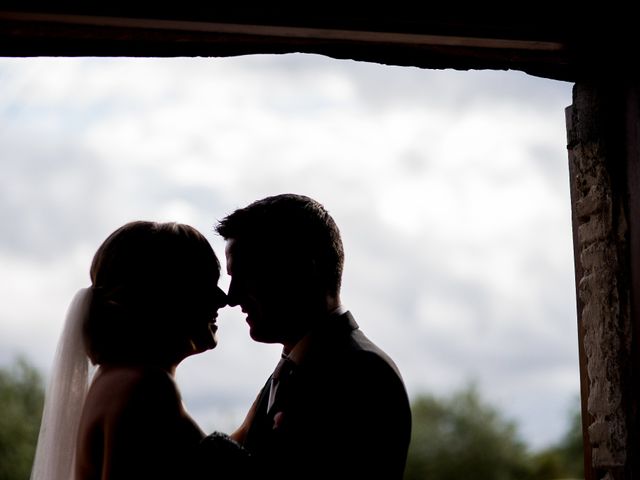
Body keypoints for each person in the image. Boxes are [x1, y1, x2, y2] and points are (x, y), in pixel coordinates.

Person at [31, 220, 251, 480]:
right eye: (204, 284)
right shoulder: (148, 388)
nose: (222, 299)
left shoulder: (113, 379)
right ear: (165, 293)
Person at [215, 193, 412, 480]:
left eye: (246, 276)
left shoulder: (363, 373)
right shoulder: (290, 374)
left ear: (303, 269)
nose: (231, 297)